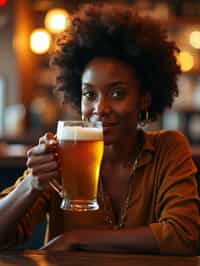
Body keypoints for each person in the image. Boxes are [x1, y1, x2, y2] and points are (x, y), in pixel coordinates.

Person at [0, 3, 199, 255]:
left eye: (117, 93)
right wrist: (32, 184)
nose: (100, 108)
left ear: (144, 97)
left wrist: (77, 238)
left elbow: (183, 236)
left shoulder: (168, 149)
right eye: (89, 94)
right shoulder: (62, 153)